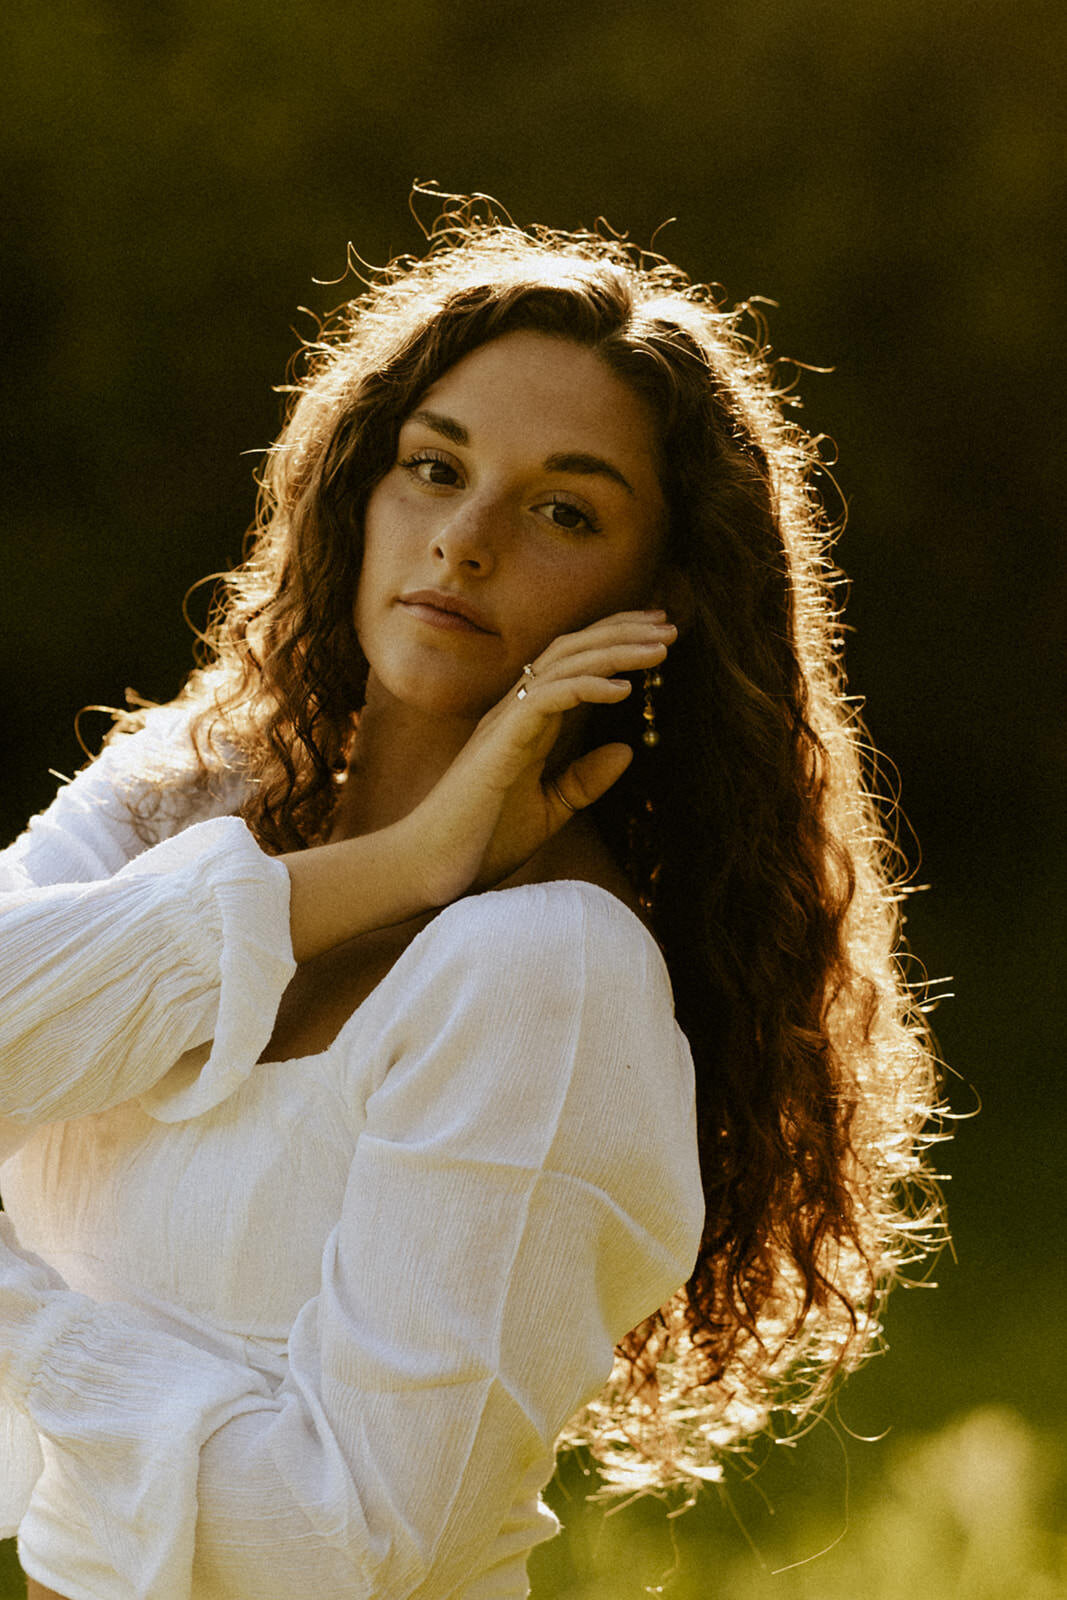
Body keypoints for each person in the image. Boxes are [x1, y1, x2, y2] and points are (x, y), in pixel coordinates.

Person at [0, 209, 943, 1600]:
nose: (465, 540)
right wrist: (399, 865)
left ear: (660, 592)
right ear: (356, 489)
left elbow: (341, 1547)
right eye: (433, 468)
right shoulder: (192, 790)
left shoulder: (548, 976)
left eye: (563, 509)